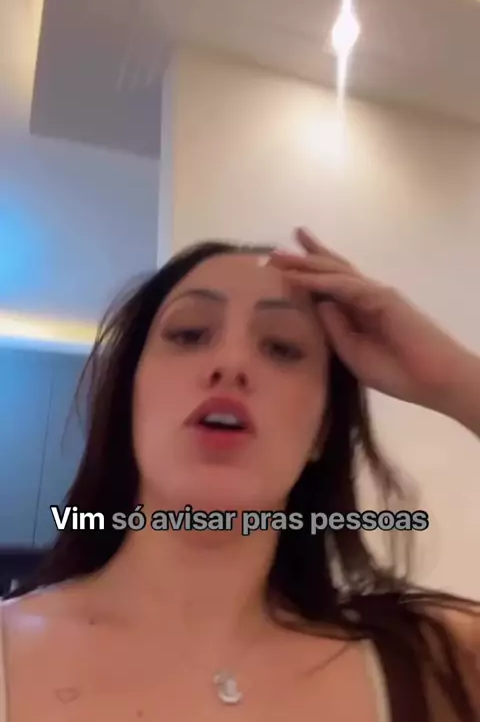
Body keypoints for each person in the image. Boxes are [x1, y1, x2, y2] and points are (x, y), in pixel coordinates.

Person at [0, 226, 479, 721]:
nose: (231, 363)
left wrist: (454, 379)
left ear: (322, 430)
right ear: (128, 399)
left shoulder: (436, 664)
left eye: (282, 347)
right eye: (189, 334)